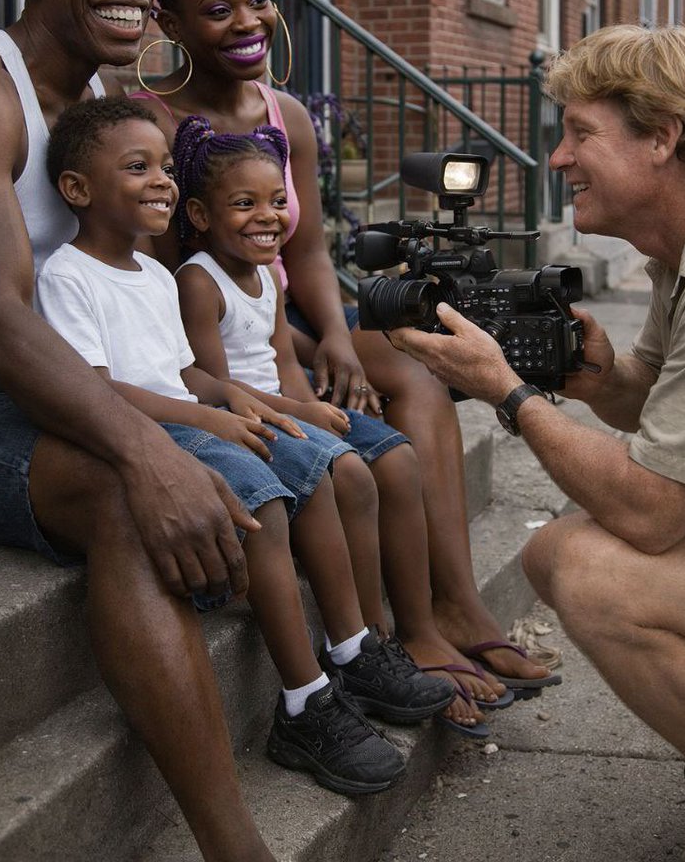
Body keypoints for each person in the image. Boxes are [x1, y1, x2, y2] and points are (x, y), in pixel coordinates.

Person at [118, 0, 554, 715]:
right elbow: (163, 279)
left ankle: (452, 608)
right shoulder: (146, 121)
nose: (247, 24)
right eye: (217, 10)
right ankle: (401, 633)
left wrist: (338, 344)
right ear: (168, 23)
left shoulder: (288, 117)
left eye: (259, 2)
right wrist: (276, 368)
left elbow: (308, 247)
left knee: (412, 368)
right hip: (213, 334)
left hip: (284, 316)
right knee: (365, 404)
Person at [0, 0, 274, 862]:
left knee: (276, 442)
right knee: (128, 495)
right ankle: (237, 849)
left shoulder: (97, 93)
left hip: (61, 376)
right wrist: (147, 450)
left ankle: (326, 681)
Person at [389, 23, 685, 861]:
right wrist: (596, 380)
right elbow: (661, 398)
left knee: (584, 565)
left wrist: (509, 393)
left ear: (663, 137)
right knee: (564, 555)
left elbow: (654, 513)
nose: (556, 159)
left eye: (580, 133)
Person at [38, 94, 456, 792]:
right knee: (264, 497)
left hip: (192, 413)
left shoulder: (150, 273)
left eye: (166, 166)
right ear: (77, 189)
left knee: (323, 472)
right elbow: (99, 390)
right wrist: (213, 416)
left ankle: (353, 647)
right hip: (147, 433)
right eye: (139, 167)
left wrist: (234, 397)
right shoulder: (67, 276)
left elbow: (187, 370)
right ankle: (303, 700)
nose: (163, 181)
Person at [170, 114, 504, 735]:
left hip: (284, 404)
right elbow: (215, 387)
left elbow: (279, 359)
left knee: (396, 459)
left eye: (275, 201)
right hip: (243, 418)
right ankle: (363, 642)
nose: (266, 216)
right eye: (243, 204)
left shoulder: (269, 274)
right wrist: (306, 420)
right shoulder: (198, 283)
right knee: (349, 474)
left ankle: (416, 631)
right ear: (199, 215)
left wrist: (326, 408)